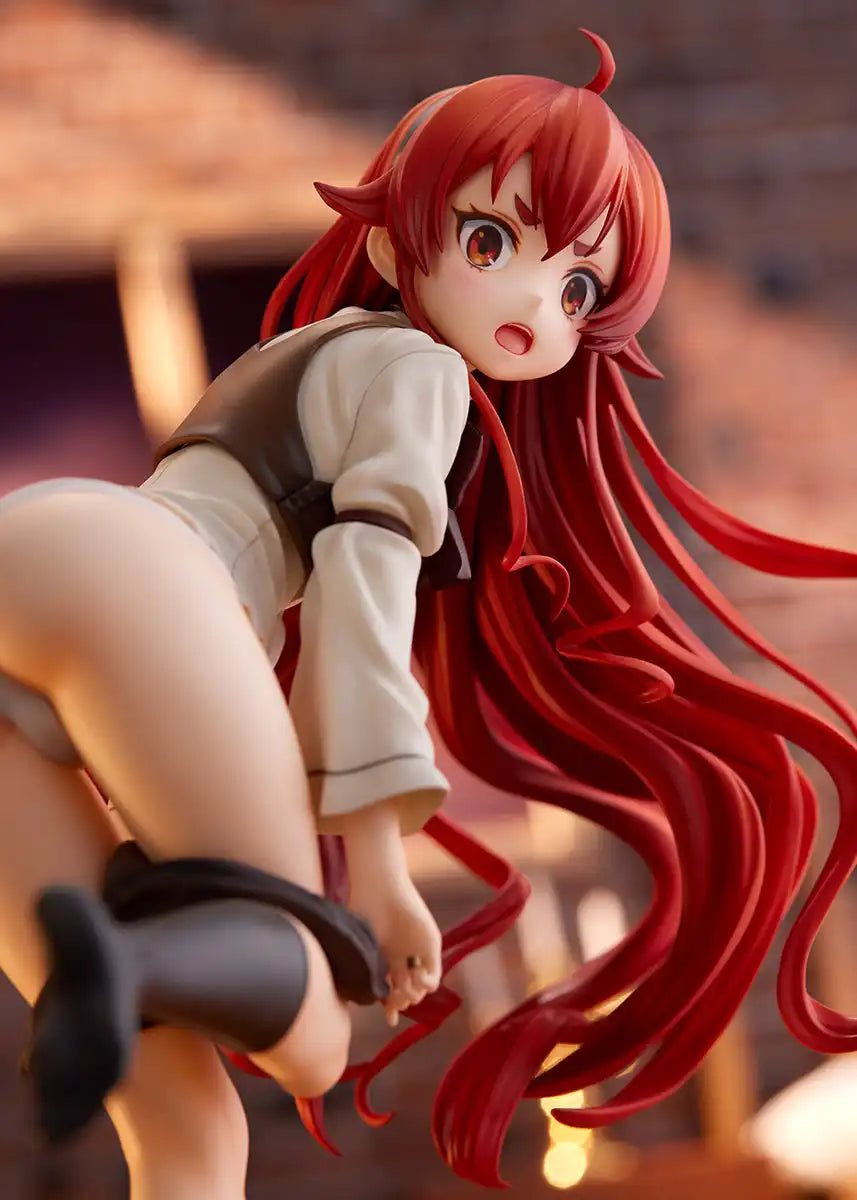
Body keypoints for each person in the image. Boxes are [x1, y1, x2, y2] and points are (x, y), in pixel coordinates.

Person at [1, 28, 856, 1197]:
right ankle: (132, 951)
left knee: (182, 1120)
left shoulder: (325, 351)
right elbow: (359, 599)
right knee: (312, 1030)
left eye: (576, 288)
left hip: (39, 555)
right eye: (491, 240)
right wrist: (378, 868)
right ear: (395, 240)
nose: (531, 302)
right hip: (134, 571)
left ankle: (122, 961)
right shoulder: (423, 373)